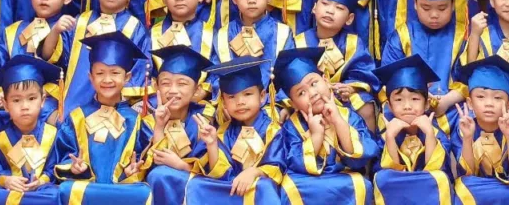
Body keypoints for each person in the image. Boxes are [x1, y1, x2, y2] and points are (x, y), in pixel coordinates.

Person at [48, 31, 151, 204]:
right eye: (100, 73)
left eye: (115, 73)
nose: (107, 79)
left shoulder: (135, 120)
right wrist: (75, 169)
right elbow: (63, 156)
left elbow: (142, 160)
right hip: (88, 190)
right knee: (66, 189)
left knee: (143, 192)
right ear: (91, 77)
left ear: (127, 77)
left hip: (121, 191)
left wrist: (132, 173)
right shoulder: (77, 118)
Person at [54, 0, 152, 114]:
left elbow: (139, 74)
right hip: (73, 109)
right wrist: (55, 32)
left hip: (113, 114)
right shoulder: (80, 22)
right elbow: (59, 57)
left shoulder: (134, 28)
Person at [273, 47, 378, 203]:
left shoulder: (347, 115)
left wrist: (337, 121)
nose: (312, 93)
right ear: (293, 104)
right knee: (289, 187)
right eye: (301, 93)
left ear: (327, 81)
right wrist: (316, 135)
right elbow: (294, 163)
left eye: (314, 83)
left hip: (344, 176)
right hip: (306, 181)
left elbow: (360, 159)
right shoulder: (292, 126)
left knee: (362, 185)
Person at [186, 57, 285, 205]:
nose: (240, 102)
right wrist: (212, 144)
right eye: (231, 97)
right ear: (223, 102)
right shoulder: (223, 132)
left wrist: (254, 172)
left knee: (264, 186)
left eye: (247, 94)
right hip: (231, 186)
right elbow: (221, 174)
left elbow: (276, 166)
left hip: (257, 187)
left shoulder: (272, 130)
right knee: (196, 184)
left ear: (262, 96)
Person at [382, 0, 468, 133]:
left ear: (452, 4)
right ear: (414, 2)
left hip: (450, 110)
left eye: (442, 8)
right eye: (426, 8)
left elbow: (467, 80)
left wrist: (446, 101)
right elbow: (388, 80)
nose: (434, 15)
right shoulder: (402, 36)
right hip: (406, 108)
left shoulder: (462, 37)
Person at [295, 0, 380, 130]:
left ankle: (367, 144)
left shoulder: (353, 43)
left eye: (339, 8)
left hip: (342, 97)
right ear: (314, 8)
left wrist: (351, 87)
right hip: (310, 97)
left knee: (364, 104)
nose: (330, 11)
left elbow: (363, 73)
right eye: (325, 3)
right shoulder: (300, 42)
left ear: (349, 19)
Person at [0, 55, 61, 204]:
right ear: (5, 104)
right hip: (10, 190)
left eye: (31, 98)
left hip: (41, 190)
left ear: (42, 101)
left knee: (54, 195)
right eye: (16, 100)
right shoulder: (0, 138)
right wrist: (5, 180)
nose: (25, 106)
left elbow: (53, 169)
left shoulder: (52, 134)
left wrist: (41, 180)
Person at [372, 55, 453, 203]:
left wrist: (429, 134)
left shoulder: (436, 133)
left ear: (427, 104)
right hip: (399, 189)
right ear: (389, 106)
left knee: (440, 178)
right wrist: (390, 138)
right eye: (398, 100)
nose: (407, 106)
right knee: (382, 177)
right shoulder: (385, 135)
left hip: (426, 189)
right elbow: (390, 171)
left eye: (415, 99)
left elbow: (436, 168)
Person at [138, 45, 214, 201]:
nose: (173, 90)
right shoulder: (149, 122)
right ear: (156, 86)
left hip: (195, 188)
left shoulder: (204, 119)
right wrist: (159, 127)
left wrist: (181, 166)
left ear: (197, 90)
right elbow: (155, 164)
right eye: (166, 83)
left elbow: (211, 172)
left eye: (182, 84)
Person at [453, 56, 509, 205]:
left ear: (508, 105)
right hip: (476, 187)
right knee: (463, 186)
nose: (489, 103)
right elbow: (466, 173)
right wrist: (468, 138)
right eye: (481, 97)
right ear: (470, 103)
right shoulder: (463, 128)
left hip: (507, 188)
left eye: (497, 98)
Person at [214, 0, 293, 93]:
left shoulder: (282, 33)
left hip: (272, 103)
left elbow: (288, 76)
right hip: (233, 102)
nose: (251, 0)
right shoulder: (223, 35)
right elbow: (215, 78)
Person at [150, 0, 219, 104]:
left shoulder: (211, 35)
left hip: (199, 106)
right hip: (159, 104)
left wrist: (201, 92)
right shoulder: (153, 34)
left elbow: (216, 72)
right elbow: (146, 72)